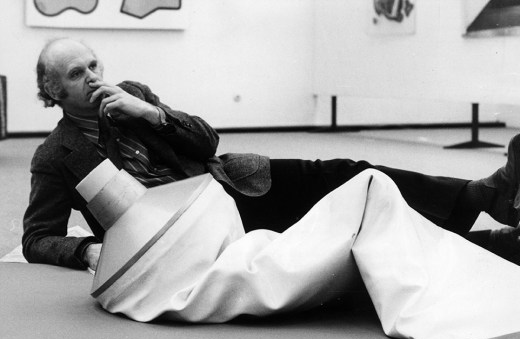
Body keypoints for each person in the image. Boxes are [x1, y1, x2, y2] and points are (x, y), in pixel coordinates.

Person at [22, 38, 520, 270]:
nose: (92, 78)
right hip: (179, 233)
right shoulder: (55, 154)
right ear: (51, 89)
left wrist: (151, 114)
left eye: (93, 65)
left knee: (350, 175)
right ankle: (494, 247)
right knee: (345, 234)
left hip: (229, 186)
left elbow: (205, 142)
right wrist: (85, 249)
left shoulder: (131, 94)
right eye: (74, 74)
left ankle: (481, 196)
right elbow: (37, 238)